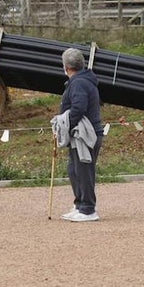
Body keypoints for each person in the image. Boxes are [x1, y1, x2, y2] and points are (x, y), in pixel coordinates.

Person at [57, 47, 104, 222]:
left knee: (84, 171)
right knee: (74, 169)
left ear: (66, 67)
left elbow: (78, 107)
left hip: (85, 135)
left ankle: (88, 210)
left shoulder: (78, 83)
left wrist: (66, 126)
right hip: (80, 135)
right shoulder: (80, 80)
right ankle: (80, 204)